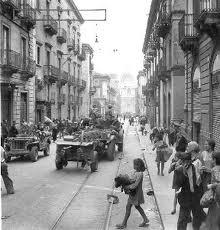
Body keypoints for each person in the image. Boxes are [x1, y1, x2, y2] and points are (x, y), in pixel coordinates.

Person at [176, 141, 206, 230]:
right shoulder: (185, 162)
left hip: (195, 195)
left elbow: (199, 180)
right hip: (187, 195)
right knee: (183, 219)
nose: (186, 147)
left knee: (196, 218)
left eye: (188, 146)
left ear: (193, 150)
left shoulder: (198, 162)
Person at [116, 158, 149, 229]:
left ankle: (124, 224)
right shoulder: (136, 172)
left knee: (129, 207)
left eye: (134, 164)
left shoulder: (140, 174)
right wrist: (125, 180)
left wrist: (128, 187)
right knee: (135, 207)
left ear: (138, 165)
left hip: (135, 193)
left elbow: (135, 184)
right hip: (133, 193)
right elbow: (132, 180)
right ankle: (145, 219)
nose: (133, 165)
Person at [201, 151, 220, 230]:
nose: (211, 160)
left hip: (216, 199)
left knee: (213, 220)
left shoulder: (215, 169)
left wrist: (211, 185)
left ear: (215, 160)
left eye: (212, 159)